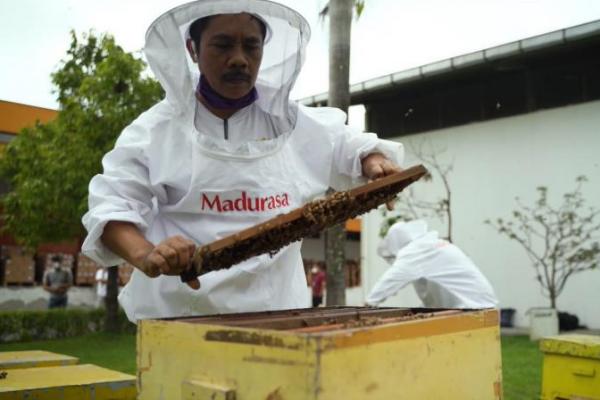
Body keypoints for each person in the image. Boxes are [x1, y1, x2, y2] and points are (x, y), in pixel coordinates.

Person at [82, 0, 404, 322]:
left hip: (279, 314)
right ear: (193, 50)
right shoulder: (154, 131)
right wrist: (147, 254)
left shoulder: (291, 122)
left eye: (251, 46)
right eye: (222, 45)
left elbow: (348, 144)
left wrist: (373, 161)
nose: (238, 59)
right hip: (180, 315)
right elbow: (113, 207)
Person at [366, 220, 498, 308]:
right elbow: (432, 290)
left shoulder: (416, 250)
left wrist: (370, 302)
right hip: (479, 304)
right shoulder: (430, 246)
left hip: (473, 307)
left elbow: (393, 278)